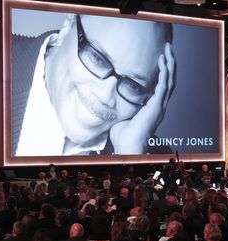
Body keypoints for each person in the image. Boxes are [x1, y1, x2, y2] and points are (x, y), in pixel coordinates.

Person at [13, 14, 175, 156]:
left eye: (133, 85)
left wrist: (128, 158)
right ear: (68, 25)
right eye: (98, 58)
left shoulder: (149, 153)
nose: (105, 96)